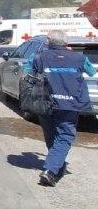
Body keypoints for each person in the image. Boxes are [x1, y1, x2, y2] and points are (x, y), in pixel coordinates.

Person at [32, 29, 95, 186]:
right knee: (65, 136)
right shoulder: (78, 58)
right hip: (69, 104)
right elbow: (92, 71)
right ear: (66, 43)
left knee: (51, 133)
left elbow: (30, 72)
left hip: (45, 102)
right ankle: (50, 170)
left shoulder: (40, 56)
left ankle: (55, 164)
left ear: (48, 42)